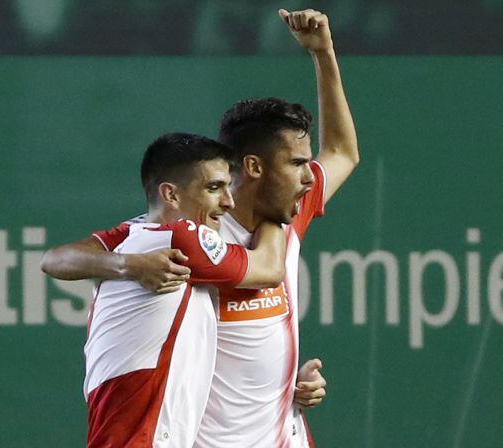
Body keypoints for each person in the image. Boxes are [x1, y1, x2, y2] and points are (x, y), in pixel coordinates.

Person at [42, 8, 359, 447]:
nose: (310, 178)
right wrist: (128, 265)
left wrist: (324, 53)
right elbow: (57, 257)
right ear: (253, 166)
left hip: (285, 435)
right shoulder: (187, 233)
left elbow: (343, 151)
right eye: (297, 164)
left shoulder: (287, 209)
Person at [72, 132, 288, 447]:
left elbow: (56, 258)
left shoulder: (135, 234)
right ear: (171, 195)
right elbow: (269, 269)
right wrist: (273, 213)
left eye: (228, 187)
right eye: (214, 188)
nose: (228, 202)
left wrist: (128, 265)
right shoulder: (184, 238)